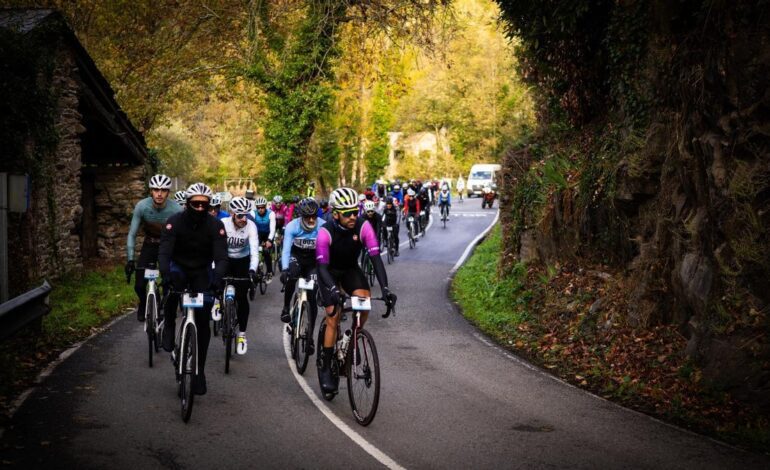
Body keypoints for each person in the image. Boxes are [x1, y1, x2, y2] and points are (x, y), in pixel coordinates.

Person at [315, 187, 397, 394]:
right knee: (333, 315)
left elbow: (376, 259)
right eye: (347, 213)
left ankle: (351, 337)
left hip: (351, 270)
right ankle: (326, 365)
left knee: (365, 299)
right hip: (329, 273)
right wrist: (333, 289)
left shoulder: (363, 226)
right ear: (335, 214)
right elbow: (321, 268)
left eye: (355, 211)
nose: (353, 216)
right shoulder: (325, 232)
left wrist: (386, 289)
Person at [159, 182, 228, 395]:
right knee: (171, 290)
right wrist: (165, 274)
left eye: (204, 205)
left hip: (201, 271)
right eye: (195, 204)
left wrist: (218, 278)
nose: (200, 208)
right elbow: (164, 252)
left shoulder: (215, 225)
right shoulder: (174, 222)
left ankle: (199, 371)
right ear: (188, 203)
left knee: (203, 320)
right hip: (179, 267)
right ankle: (169, 324)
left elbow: (222, 256)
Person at [126, 174, 182, 322]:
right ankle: (144, 303)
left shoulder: (176, 209)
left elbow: (184, 235)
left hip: (168, 246)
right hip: (149, 244)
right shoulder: (142, 206)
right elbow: (132, 234)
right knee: (139, 285)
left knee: (168, 282)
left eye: (163, 190)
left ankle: (164, 306)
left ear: (168, 193)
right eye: (156, 190)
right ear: (151, 191)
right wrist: (130, 259)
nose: (159, 193)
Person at [280, 199, 325, 356]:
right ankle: (286, 307)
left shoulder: (322, 226)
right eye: (307, 217)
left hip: (313, 260)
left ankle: (310, 337)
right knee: (292, 276)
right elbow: (285, 250)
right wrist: (284, 269)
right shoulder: (292, 226)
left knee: (312, 296)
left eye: (314, 216)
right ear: (301, 216)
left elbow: (327, 252)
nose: (311, 220)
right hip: (296, 256)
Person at [221, 197, 260, 355]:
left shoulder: (251, 226)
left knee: (242, 297)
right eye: (239, 216)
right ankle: (219, 302)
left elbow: (255, 252)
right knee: (217, 282)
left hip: (242, 262)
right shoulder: (223, 223)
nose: (243, 219)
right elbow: (214, 248)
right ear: (232, 214)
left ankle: (242, 335)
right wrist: (214, 267)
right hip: (225, 259)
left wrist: (252, 270)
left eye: (246, 215)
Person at [251, 196, 276, 283]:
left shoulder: (271, 213)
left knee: (265, 251)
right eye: (258, 207)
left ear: (265, 207)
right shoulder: (253, 213)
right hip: (257, 234)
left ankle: (269, 272)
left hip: (268, 234)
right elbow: (251, 227)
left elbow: (272, 229)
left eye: (262, 207)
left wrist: (269, 240)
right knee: (253, 250)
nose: (260, 209)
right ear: (256, 207)